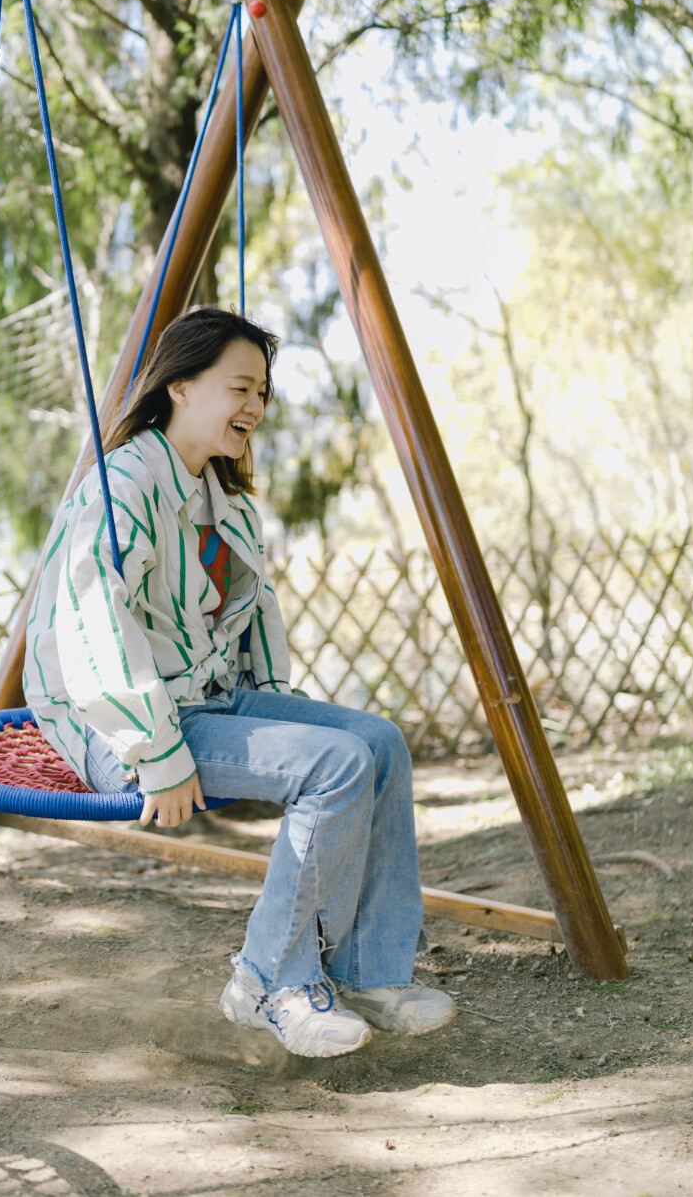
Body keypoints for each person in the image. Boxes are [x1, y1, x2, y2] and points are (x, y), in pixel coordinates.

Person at [24, 306, 454, 1058]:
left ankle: (369, 973)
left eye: (263, 393)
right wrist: (155, 751)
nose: (255, 406)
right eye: (240, 387)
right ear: (181, 386)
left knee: (377, 742)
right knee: (336, 763)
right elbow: (92, 624)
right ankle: (269, 982)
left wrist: (281, 710)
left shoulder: (221, 498)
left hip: (208, 696)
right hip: (122, 722)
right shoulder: (121, 485)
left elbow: (252, 621)